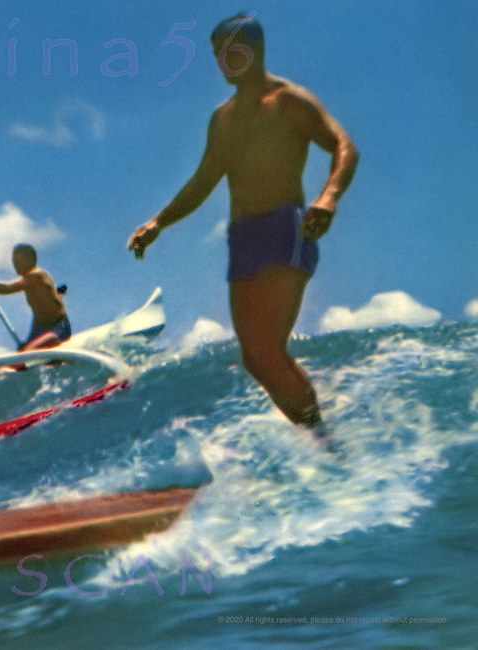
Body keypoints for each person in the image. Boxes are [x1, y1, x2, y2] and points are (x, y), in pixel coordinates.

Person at [127, 13, 358, 439]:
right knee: (256, 357)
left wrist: (327, 197)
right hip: (242, 239)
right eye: (217, 54)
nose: (224, 61)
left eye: (232, 50)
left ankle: (328, 442)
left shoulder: (289, 100)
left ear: (256, 49)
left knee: (267, 351)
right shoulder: (223, 118)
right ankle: (321, 435)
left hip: (285, 228)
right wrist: (159, 223)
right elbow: (203, 180)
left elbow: (344, 145)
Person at [0, 243, 71, 351]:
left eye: (18, 260)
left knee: (25, 355)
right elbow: (43, 309)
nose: (15, 264)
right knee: (21, 354)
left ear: (29, 260)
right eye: (14, 260)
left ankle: (51, 342)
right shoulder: (32, 280)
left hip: (57, 329)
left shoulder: (36, 275)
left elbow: (5, 288)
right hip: (39, 330)